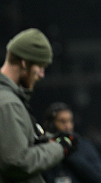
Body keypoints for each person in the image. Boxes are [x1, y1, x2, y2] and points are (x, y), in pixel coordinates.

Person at [0, 28, 77, 183]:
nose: (42, 74)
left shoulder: (9, 99)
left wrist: (49, 140)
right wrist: (60, 148)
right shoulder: (8, 103)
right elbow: (17, 162)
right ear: (24, 62)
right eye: (40, 67)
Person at [41, 102, 101, 183]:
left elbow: (98, 176)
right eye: (62, 121)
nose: (68, 126)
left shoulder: (83, 145)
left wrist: (70, 154)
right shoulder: (43, 147)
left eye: (70, 121)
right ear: (51, 124)